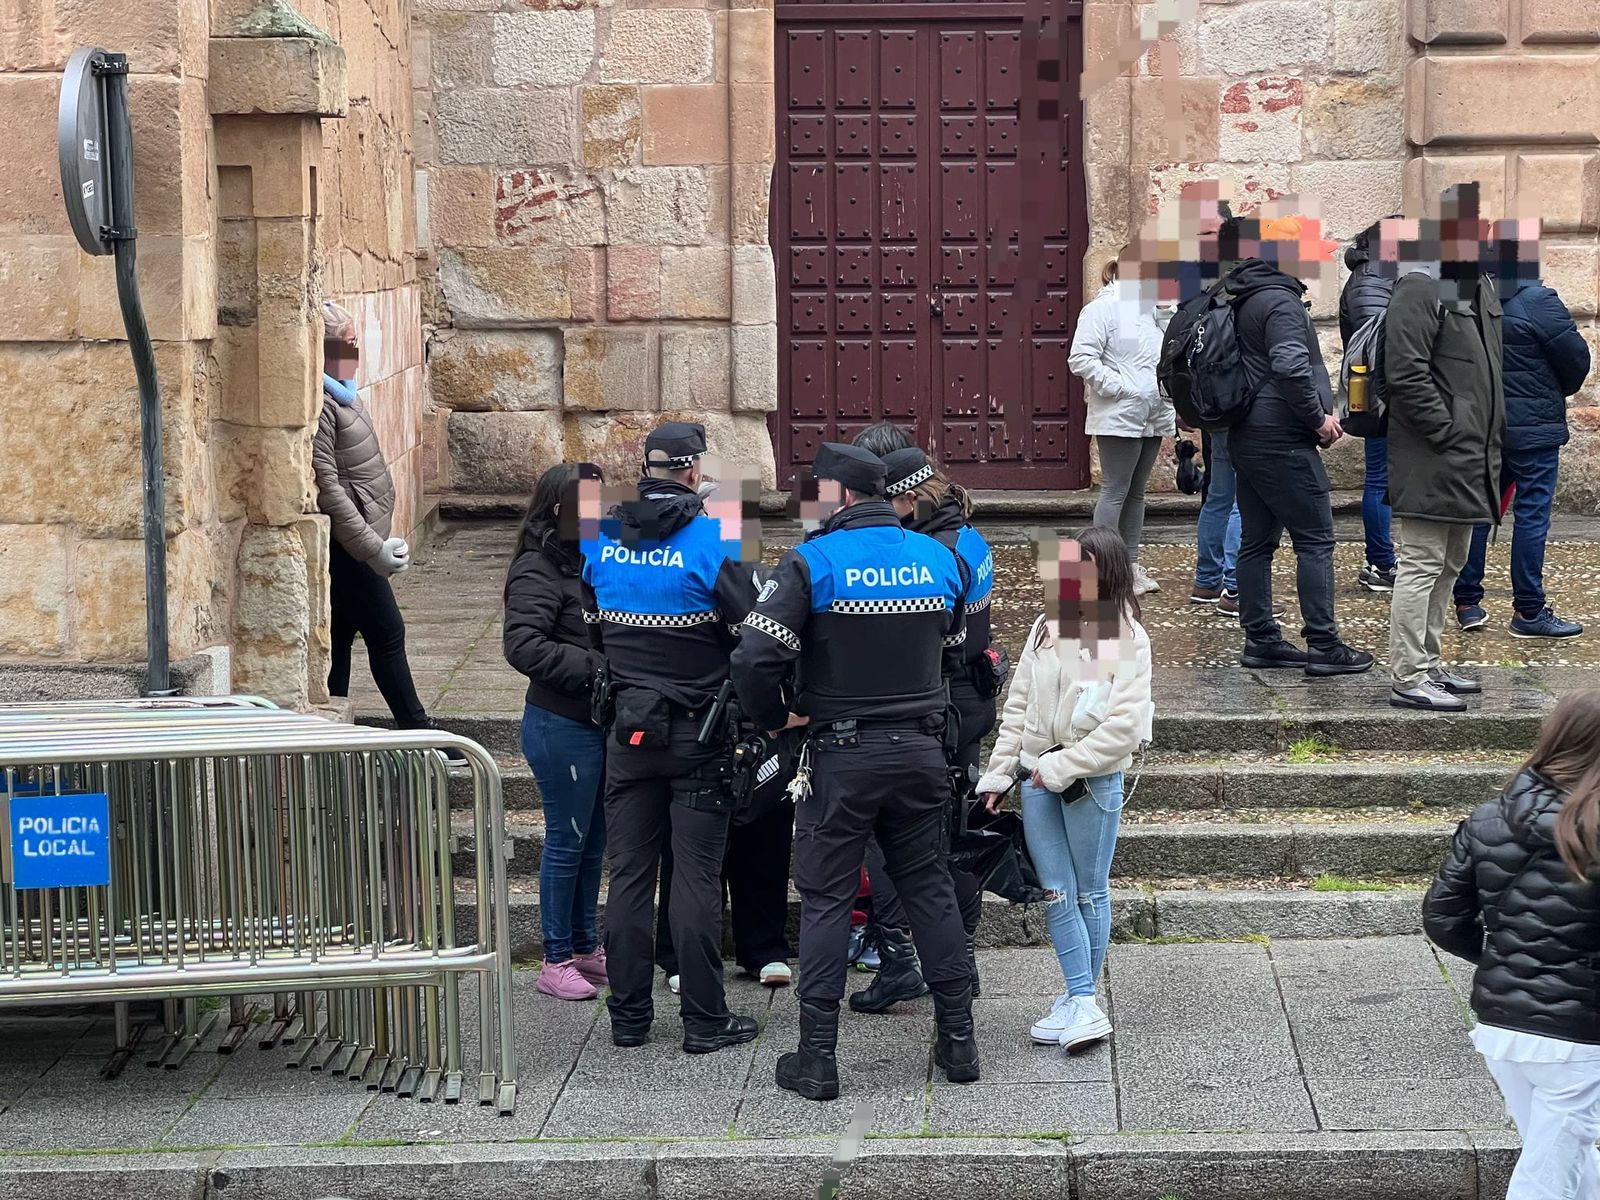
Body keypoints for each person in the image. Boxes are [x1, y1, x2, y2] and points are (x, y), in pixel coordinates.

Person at [731, 442, 979, 1101]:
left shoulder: (812, 563)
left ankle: (817, 1059)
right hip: (925, 753)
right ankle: (959, 1043)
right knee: (927, 888)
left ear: (840, 496)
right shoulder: (941, 559)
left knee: (826, 900)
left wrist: (776, 719)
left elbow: (754, 656)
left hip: (841, 757)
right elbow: (957, 651)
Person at [580, 421, 759, 1053]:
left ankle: (628, 1018)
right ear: (691, 470)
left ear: (647, 467)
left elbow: (594, 631)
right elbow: (753, 635)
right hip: (700, 734)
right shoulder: (714, 540)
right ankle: (704, 1021)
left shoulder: (600, 536)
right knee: (696, 880)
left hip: (626, 729)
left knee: (628, 875)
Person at [976, 526, 1152, 1052]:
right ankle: (1081, 1000)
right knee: (1054, 890)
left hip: (1089, 783)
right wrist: (1001, 772)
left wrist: (1064, 766)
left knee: (1090, 889)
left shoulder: (1126, 637)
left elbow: (1122, 725)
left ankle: (1081, 998)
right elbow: (1019, 711)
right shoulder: (1046, 628)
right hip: (1036, 778)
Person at [1423, 688, 1600, 1200]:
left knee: (1564, 1159)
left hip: (1504, 1028)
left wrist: (1511, 959)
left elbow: (1441, 917)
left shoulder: (1488, 817)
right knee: (1547, 1178)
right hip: (1580, 1034)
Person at [851, 447, 996, 1013]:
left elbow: (931, 641)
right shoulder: (969, 535)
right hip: (970, 703)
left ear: (909, 498)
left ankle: (900, 964)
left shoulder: (932, 552)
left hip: (938, 707)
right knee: (950, 837)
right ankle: (961, 962)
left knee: (889, 838)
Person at [1221, 216, 1373, 676]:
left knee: (1257, 541)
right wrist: (1319, 420)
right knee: (1315, 538)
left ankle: (1262, 640)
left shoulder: (1245, 295)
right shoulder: (1281, 302)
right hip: (1282, 438)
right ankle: (1324, 645)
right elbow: (1289, 367)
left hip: (1246, 434)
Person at [1384, 192, 1504, 712]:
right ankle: (1409, 674)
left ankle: (1429, 661)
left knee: (1451, 562)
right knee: (1422, 561)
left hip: (1471, 457)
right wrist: (1448, 429)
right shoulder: (1419, 288)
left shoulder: (1477, 289)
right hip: (1436, 453)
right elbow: (1405, 373)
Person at [315, 301, 447, 739]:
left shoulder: (342, 391)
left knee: (339, 640)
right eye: (348, 342)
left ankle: (333, 734)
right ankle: (416, 730)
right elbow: (328, 485)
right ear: (326, 346)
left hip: (363, 539)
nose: (355, 350)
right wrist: (373, 548)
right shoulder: (323, 403)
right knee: (387, 632)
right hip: (350, 546)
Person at [504, 462, 609, 1001]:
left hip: (595, 721)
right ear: (558, 511)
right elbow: (522, 645)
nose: (600, 513)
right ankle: (555, 957)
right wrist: (596, 667)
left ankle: (587, 945)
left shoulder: (591, 561)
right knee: (567, 839)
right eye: (588, 505)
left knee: (595, 841)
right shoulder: (537, 568)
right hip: (559, 723)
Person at [1453, 230, 1591, 640]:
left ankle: (1466, 600)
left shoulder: (1471, 298)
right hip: (1532, 429)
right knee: (1531, 516)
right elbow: (1575, 360)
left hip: (1485, 424)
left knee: (1480, 511)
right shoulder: (1538, 301)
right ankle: (1529, 610)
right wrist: (1553, 393)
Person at [655, 724, 798, 993]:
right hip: (694, 723)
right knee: (690, 852)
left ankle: (764, 946)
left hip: (762, 722)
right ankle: (680, 956)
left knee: (766, 838)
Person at [1069, 254, 1176, 596]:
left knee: (1136, 492)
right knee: (1115, 489)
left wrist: (1164, 314)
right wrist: (1122, 389)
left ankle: (1129, 565)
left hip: (1152, 413)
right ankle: (1102, 568)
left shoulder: (1152, 309)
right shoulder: (1102, 309)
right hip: (1120, 413)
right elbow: (1081, 357)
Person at [1340, 215, 1404, 592]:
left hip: (1385, 393)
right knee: (1380, 479)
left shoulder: (1381, 275)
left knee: (1386, 478)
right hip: (1380, 397)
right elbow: (1382, 342)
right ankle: (1380, 563)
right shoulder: (1370, 280)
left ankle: (1384, 558)